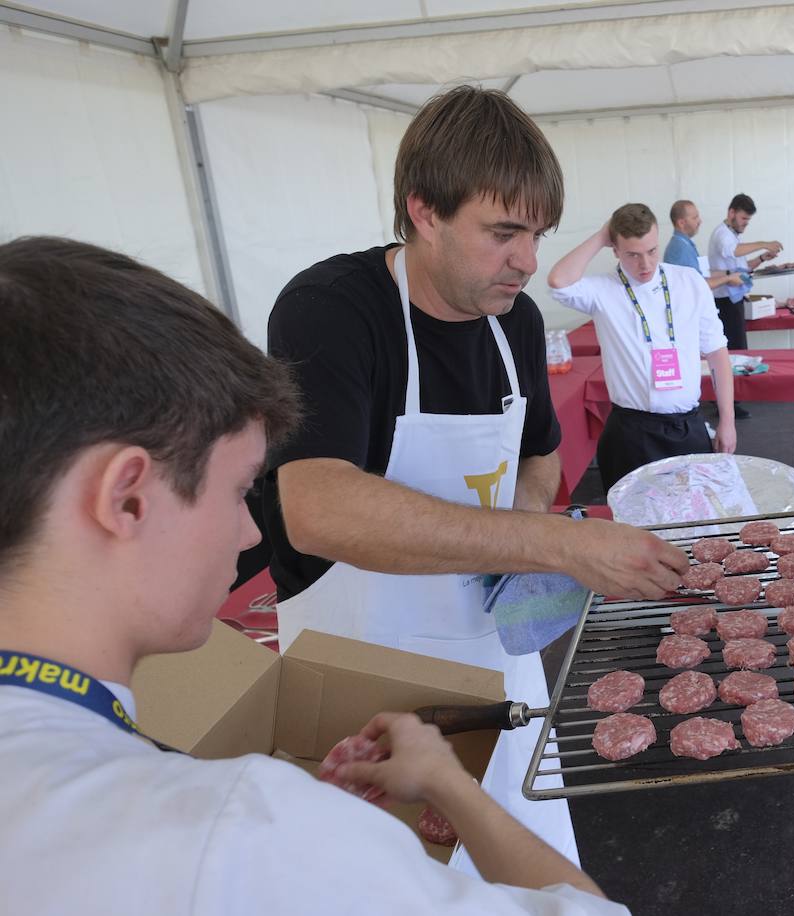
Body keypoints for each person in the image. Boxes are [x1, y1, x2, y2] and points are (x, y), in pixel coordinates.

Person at [0, 236, 625, 915]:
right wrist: (455, 787)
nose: (248, 534)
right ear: (126, 497)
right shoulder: (239, 834)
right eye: (242, 490)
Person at [259, 87, 687, 869]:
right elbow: (315, 506)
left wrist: (517, 548)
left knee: (530, 873)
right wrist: (548, 542)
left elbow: (539, 453)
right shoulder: (334, 311)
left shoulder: (514, 320)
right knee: (382, 880)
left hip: (493, 657)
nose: (526, 260)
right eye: (503, 233)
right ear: (424, 211)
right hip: (360, 669)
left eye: (538, 235)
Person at [547, 203, 737, 490]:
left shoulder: (689, 282)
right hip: (631, 431)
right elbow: (558, 281)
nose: (645, 265)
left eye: (651, 251)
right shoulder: (602, 290)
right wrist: (601, 235)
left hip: (687, 425)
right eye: (633, 255)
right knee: (633, 528)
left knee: (696, 521)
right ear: (615, 249)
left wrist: (728, 420)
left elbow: (717, 353)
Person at [707, 193, 783, 419]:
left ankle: (730, 399)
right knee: (734, 350)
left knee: (737, 348)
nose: (745, 225)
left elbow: (741, 265)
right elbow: (733, 252)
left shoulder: (731, 235)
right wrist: (763, 243)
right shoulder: (722, 235)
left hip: (734, 299)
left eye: (748, 221)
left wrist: (762, 258)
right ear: (731, 213)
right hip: (724, 301)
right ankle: (729, 402)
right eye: (743, 219)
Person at [662, 198, 744, 295]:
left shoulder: (686, 244)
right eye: (695, 218)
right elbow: (698, 284)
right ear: (681, 223)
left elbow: (702, 274)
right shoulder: (680, 249)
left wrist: (729, 273)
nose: (700, 221)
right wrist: (728, 279)